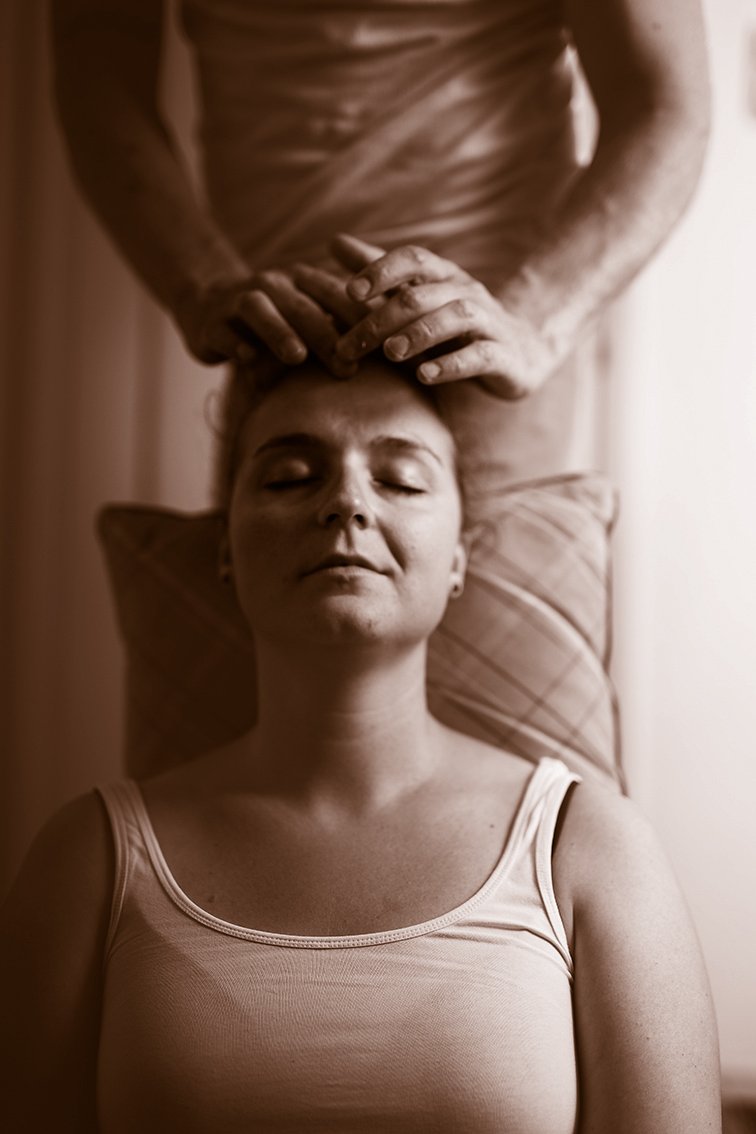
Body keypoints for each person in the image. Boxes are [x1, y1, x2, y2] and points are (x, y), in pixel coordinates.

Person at [0, 356, 721, 1131]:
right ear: (225, 550)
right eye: (289, 478)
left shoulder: (591, 848)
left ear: (458, 557)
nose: (346, 501)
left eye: (402, 481)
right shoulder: (86, 860)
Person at [51, 0, 710, 478]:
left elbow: (665, 103)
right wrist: (201, 288)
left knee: (488, 634)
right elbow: (98, 73)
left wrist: (534, 323)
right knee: (267, 626)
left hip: (486, 359)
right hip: (275, 347)